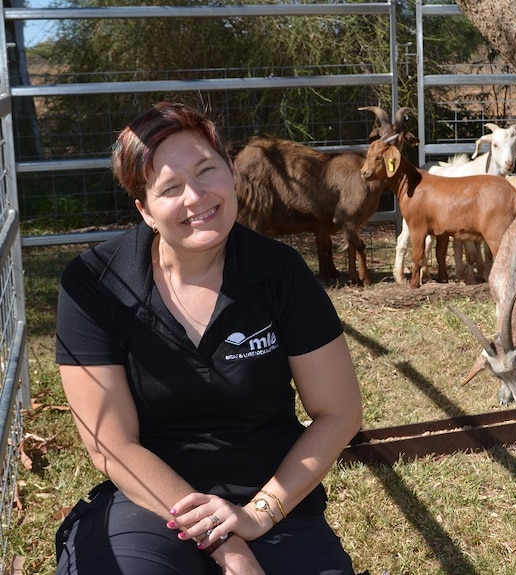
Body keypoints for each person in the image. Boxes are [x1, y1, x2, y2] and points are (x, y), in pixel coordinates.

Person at [54, 102, 365, 575]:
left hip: (272, 498)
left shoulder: (281, 274)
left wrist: (256, 516)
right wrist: (227, 545)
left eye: (206, 171)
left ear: (231, 172)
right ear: (146, 210)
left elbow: (338, 412)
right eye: (170, 187)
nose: (196, 196)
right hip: (148, 502)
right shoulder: (93, 284)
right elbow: (111, 443)